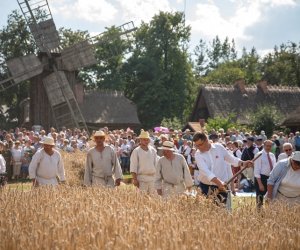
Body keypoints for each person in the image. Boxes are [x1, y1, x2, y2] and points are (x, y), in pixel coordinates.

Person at [193, 132, 252, 204]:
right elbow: (206, 172)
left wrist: (243, 163)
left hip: (222, 187)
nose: (198, 147)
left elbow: (231, 159)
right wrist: (219, 183)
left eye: (200, 145)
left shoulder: (219, 147)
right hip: (205, 187)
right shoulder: (198, 154)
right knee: (206, 212)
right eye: (196, 146)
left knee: (221, 211)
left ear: (206, 140)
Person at [130, 130, 159, 194]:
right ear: (140, 140)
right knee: (142, 199)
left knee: (153, 199)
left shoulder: (153, 150)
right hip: (141, 179)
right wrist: (135, 179)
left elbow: (156, 165)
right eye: (144, 139)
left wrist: (158, 178)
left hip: (152, 178)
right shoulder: (136, 151)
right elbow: (133, 166)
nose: (146, 141)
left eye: (147, 139)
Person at [253, 140, 276, 208]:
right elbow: (256, 170)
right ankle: (259, 214)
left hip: (270, 178)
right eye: (267, 146)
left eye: (270, 146)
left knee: (269, 197)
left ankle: (268, 213)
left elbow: (274, 167)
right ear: (264, 145)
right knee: (260, 198)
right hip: (261, 178)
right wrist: (260, 184)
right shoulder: (259, 154)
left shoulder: (272, 155)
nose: (268, 147)